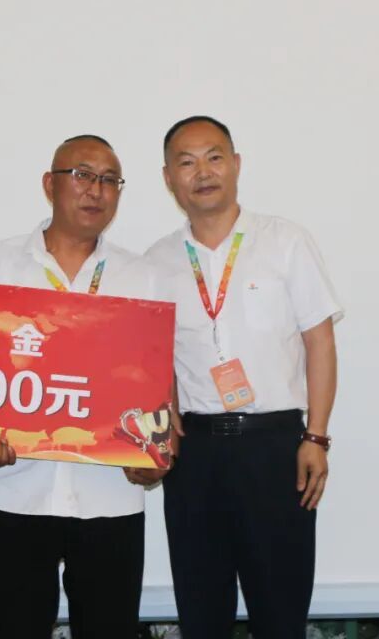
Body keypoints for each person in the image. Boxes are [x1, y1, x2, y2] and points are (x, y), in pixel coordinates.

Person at [0, 134, 168, 639]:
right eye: (82, 175)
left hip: (109, 496)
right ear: (49, 184)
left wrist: (158, 452)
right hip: (13, 491)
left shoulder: (143, 278)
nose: (96, 190)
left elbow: (160, 380)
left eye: (110, 180)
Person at [145, 116, 343, 638]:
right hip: (195, 455)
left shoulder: (285, 241)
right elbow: (151, 358)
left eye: (214, 157)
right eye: (186, 162)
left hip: (275, 448)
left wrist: (316, 436)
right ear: (168, 178)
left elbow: (320, 342)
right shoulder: (156, 262)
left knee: (280, 613)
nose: (203, 172)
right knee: (201, 612)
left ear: (236, 164)